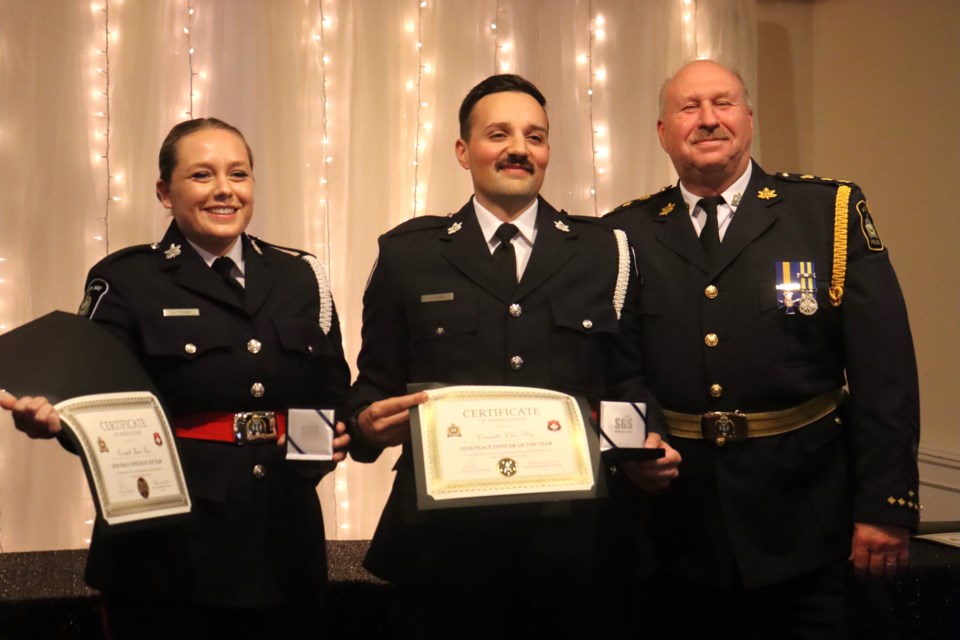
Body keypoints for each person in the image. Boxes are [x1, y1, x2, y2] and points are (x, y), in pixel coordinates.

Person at [344, 74, 680, 637]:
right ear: (463, 150)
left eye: (535, 136)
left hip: (580, 549)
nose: (519, 149)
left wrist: (649, 441)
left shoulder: (605, 250)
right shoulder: (407, 255)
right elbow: (373, 383)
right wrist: (365, 425)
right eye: (498, 134)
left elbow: (628, 377)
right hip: (446, 551)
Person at [0, 118, 351, 639]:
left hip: (283, 544)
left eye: (239, 174)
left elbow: (328, 391)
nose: (225, 190)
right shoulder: (125, 281)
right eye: (202, 176)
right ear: (165, 192)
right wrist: (55, 424)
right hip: (168, 553)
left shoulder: (300, 276)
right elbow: (98, 412)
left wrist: (307, 463)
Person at [604, 59, 920, 638]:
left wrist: (885, 504)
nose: (707, 120)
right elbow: (617, 366)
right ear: (661, 132)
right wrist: (633, 447)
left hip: (809, 523)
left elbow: (885, 374)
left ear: (748, 118)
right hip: (678, 529)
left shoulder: (827, 212)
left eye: (722, 104)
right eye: (688, 107)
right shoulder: (625, 231)